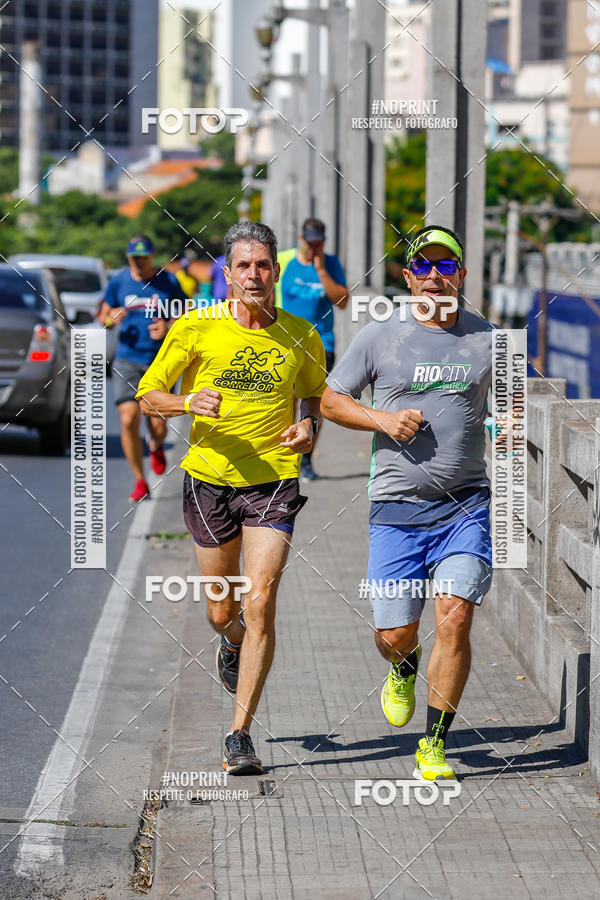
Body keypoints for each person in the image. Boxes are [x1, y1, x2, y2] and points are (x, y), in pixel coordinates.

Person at [135, 222, 326, 775]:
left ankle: (239, 734)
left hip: (273, 482)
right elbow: (149, 396)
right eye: (243, 265)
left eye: (263, 265)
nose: (254, 275)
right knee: (223, 610)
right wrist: (188, 401)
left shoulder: (299, 335)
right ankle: (231, 641)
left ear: (276, 271)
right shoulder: (197, 327)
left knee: (261, 599)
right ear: (227, 273)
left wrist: (309, 427)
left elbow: (314, 398)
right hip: (209, 479)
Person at [321, 226, 494, 781]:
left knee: (455, 615)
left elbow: (518, 406)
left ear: (462, 276)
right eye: (424, 267)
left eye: (447, 267)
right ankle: (403, 665)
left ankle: (435, 744)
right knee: (396, 633)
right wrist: (383, 420)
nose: (436, 278)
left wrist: (512, 428)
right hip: (396, 507)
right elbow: (330, 399)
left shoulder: (490, 339)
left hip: (466, 505)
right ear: (408, 277)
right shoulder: (380, 336)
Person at [98, 234, 187, 502]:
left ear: (151, 255)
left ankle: (156, 444)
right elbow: (103, 314)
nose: (138, 261)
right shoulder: (118, 282)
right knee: (128, 418)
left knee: (159, 425)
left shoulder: (167, 280)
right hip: (127, 357)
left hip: (160, 362)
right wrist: (110, 318)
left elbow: (186, 311)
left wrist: (168, 326)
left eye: (143, 257)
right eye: (134, 257)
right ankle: (140, 480)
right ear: (128, 257)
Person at [278, 218, 348, 480]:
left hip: (322, 344)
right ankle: (284, 454)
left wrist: (320, 270)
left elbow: (341, 301)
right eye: (310, 243)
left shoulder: (330, 264)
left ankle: (306, 459)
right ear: (301, 238)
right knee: (287, 401)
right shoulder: (285, 263)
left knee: (314, 404)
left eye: (318, 243)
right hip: (286, 343)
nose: (313, 248)